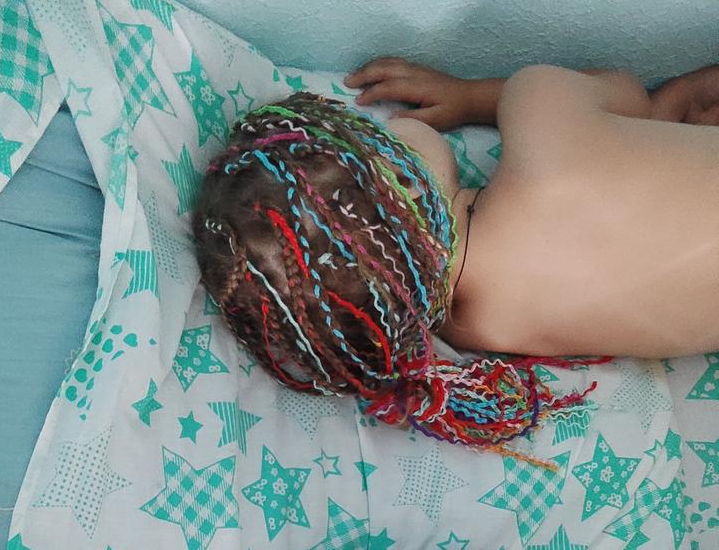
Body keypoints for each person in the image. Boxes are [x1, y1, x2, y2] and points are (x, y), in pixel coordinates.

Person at [192, 63, 719, 454]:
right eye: (371, 133)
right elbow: (630, 94)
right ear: (406, 182)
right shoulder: (539, 111)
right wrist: (474, 97)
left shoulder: (475, 330)